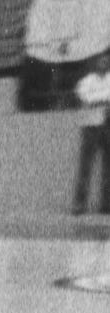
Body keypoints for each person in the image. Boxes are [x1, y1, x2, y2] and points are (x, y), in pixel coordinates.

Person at [72, 52, 110, 215]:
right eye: (101, 61)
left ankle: (106, 204)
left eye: (106, 61)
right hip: (91, 126)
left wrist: (99, 99)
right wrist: (102, 99)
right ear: (96, 63)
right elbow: (84, 96)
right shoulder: (86, 81)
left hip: (108, 125)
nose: (104, 63)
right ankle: (79, 204)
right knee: (86, 166)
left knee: (108, 167)